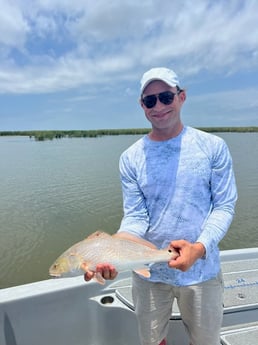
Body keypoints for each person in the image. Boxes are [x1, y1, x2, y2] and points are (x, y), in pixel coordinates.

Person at [84, 67, 237, 345]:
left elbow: (224, 206)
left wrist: (199, 248)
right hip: (148, 273)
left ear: (181, 97)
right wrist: (111, 251)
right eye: (150, 100)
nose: (159, 106)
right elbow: (135, 218)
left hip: (202, 272)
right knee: (152, 341)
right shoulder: (130, 158)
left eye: (166, 96)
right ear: (142, 106)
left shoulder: (213, 146)